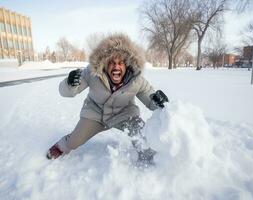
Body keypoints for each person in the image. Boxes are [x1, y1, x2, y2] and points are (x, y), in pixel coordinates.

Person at [46, 33, 168, 163]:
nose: (116, 67)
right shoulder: (92, 72)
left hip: (125, 115)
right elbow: (67, 92)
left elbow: (150, 98)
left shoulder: (136, 79)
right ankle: (63, 145)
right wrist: (69, 84)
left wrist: (159, 102)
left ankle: (152, 159)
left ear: (127, 65)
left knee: (144, 140)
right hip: (95, 114)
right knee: (73, 142)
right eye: (112, 62)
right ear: (104, 63)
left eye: (121, 62)